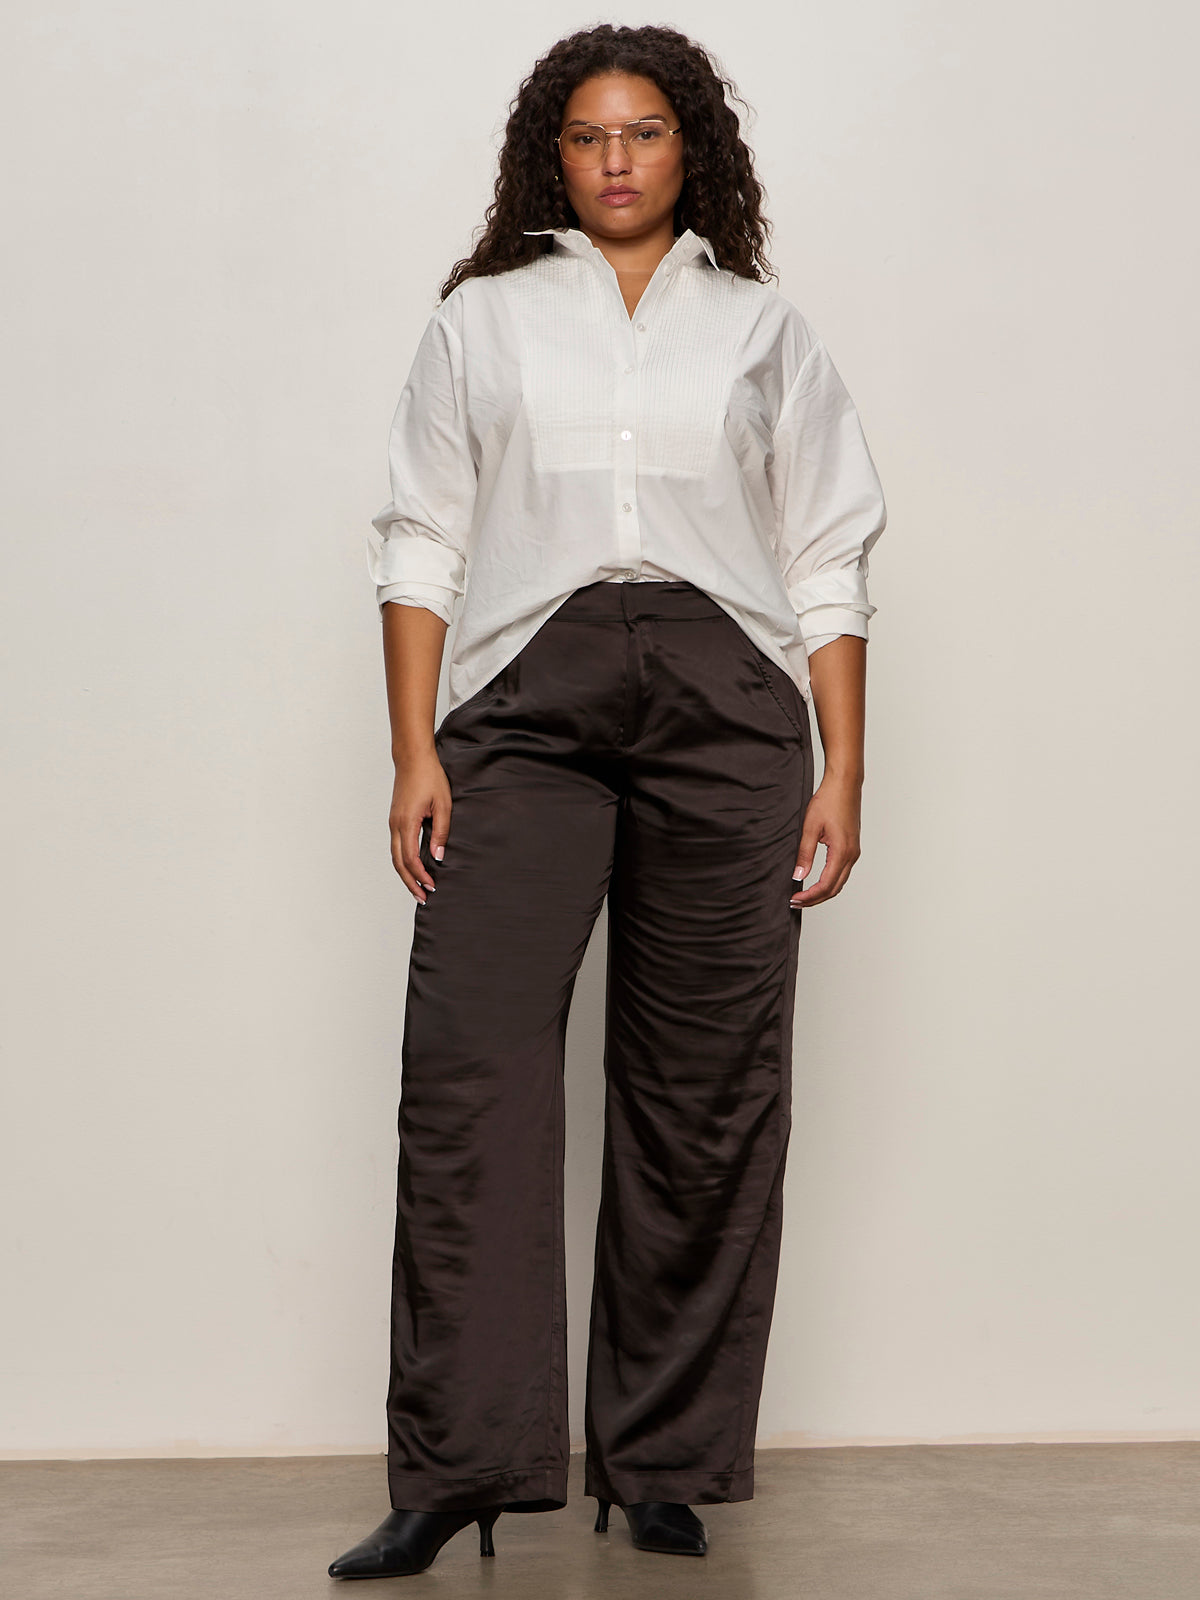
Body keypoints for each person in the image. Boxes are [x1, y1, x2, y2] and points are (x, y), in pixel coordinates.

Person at [329, 21, 887, 1581]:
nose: (621, 158)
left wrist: (846, 764)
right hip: (525, 708)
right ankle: (460, 1470)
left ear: (689, 147)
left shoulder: (764, 328)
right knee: (469, 1078)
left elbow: (827, 553)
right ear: (553, 157)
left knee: (705, 1090)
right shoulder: (483, 322)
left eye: (646, 131)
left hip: (730, 715)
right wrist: (414, 749)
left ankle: (659, 1460)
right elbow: (420, 535)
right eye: (590, 136)